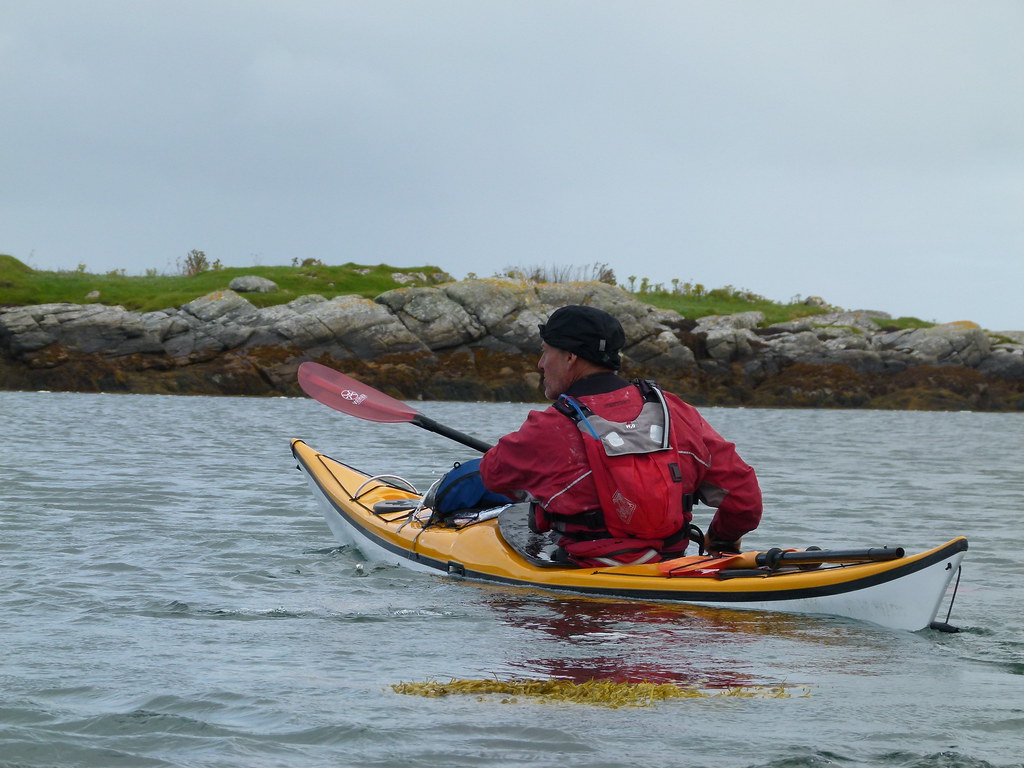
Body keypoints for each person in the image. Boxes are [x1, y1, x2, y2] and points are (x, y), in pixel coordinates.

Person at [477, 305, 763, 567]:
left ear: (570, 357)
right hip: (669, 567)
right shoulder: (675, 410)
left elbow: (492, 475)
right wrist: (722, 539)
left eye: (545, 351)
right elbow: (744, 499)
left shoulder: (549, 427)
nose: (541, 363)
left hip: (586, 589)